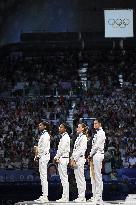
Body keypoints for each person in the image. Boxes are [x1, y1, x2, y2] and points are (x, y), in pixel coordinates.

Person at [88, 118, 106, 205]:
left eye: (96, 123)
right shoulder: (97, 133)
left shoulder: (101, 133)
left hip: (98, 154)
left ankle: (99, 197)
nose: (94, 125)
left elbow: (96, 146)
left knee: (98, 176)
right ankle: (95, 195)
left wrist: (90, 154)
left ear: (100, 124)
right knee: (94, 176)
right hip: (94, 155)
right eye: (94, 124)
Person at [71, 123, 88, 202]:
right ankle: (80, 196)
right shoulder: (78, 137)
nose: (77, 128)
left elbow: (81, 150)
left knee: (81, 178)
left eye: (79, 127)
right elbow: (75, 150)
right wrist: (72, 158)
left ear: (83, 129)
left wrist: (74, 159)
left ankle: (82, 197)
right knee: (77, 179)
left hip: (79, 159)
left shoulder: (84, 137)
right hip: (76, 159)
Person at [34, 121, 50, 203]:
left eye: (40, 125)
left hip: (44, 156)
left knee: (43, 176)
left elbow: (43, 148)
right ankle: (44, 195)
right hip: (42, 156)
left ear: (45, 127)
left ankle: (45, 196)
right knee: (42, 176)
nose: (39, 126)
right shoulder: (43, 135)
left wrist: (37, 155)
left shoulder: (46, 135)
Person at [54, 123, 70, 202]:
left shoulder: (65, 137)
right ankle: (64, 196)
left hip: (63, 158)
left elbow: (62, 149)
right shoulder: (64, 137)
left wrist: (56, 157)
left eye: (61, 127)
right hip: (62, 158)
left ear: (65, 129)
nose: (59, 128)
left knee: (64, 179)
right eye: (59, 127)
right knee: (63, 179)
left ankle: (65, 197)